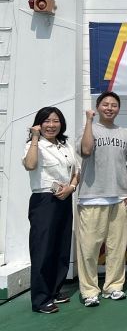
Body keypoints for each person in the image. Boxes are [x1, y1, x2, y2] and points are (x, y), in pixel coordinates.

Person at [77, 91, 127, 307]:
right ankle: (89, 291)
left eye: (114, 105)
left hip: (118, 199)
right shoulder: (89, 129)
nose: (109, 108)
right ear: (98, 107)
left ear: (118, 109)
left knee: (117, 248)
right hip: (91, 198)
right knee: (89, 249)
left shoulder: (125, 134)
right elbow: (86, 150)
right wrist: (88, 121)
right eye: (105, 104)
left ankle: (113, 286)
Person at [22, 107, 80, 314]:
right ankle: (40, 299)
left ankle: (54, 290)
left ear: (61, 124)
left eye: (55, 121)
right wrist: (35, 138)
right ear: (39, 124)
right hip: (44, 200)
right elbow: (30, 165)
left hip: (64, 197)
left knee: (61, 247)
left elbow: (76, 171)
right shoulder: (34, 145)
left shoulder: (65, 145)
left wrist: (71, 188)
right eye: (46, 121)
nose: (51, 125)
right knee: (43, 249)